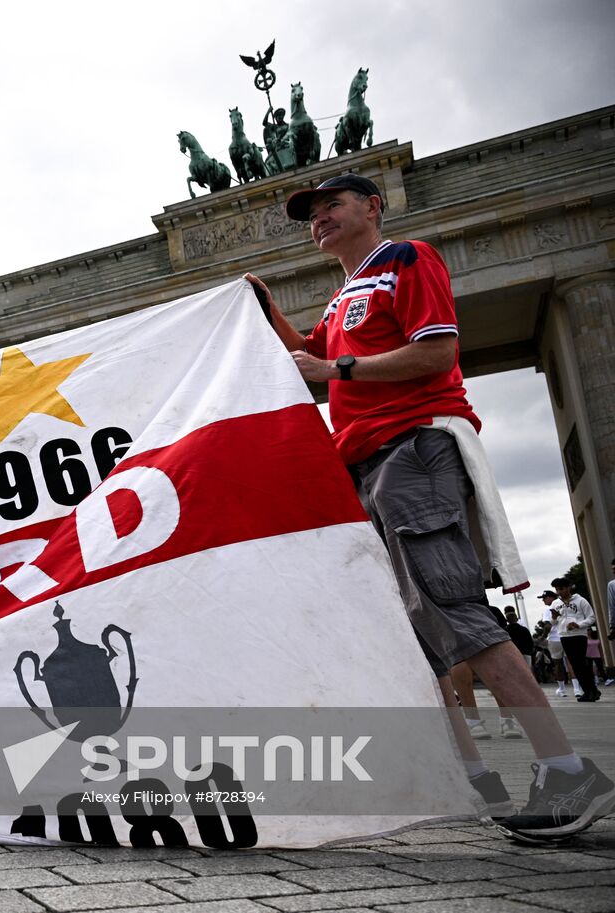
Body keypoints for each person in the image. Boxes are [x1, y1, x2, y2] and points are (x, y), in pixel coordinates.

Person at [246, 172, 614, 842]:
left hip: (412, 448)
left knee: (451, 604)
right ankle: (470, 773)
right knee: (409, 623)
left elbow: (437, 350)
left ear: (372, 206)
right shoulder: (342, 299)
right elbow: (303, 355)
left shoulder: (406, 260)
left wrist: (341, 373)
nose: (320, 218)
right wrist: (262, 306)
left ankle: (567, 769)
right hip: (365, 463)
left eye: (333, 204)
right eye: (311, 213)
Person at [551, 577, 599, 702]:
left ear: (568, 588)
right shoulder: (555, 603)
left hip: (579, 635)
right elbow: (553, 622)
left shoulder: (580, 600)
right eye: (556, 589)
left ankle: (591, 691)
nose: (559, 592)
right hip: (564, 636)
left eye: (561, 589)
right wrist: (554, 617)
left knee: (581, 663)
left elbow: (591, 617)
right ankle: (590, 691)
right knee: (576, 665)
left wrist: (579, 625)